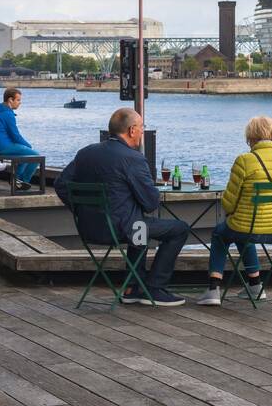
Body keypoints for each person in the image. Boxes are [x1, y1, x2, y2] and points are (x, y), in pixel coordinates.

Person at [55, 108, 190, 307]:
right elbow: (151, 203)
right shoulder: (133, 158)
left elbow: (60, 184)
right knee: (179, 229)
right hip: (122, 230)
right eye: (142, 128)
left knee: (140, 226)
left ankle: (132, 287)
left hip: (88, 228)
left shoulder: (86, 153)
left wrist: (80, 209)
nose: (143, 132)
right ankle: (154, 287)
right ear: (132, 130)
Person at [197, 115, 272, 305]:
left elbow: (228, 204)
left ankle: (213, 289)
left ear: (250, 137)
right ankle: (255, 285)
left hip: (247, 228)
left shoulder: (244, 161)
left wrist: (236, 211)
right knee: (243, 228)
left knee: (223, 232)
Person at [0, 87, 42, 190]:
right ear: (10, 100)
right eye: (18, 100)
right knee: (36, 156)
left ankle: (16, 180)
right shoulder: (7, 114)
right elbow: (15, 135)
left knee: (25, 153)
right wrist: (29, 146)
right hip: (2, 147)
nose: (20, 103)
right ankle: (23, 181)